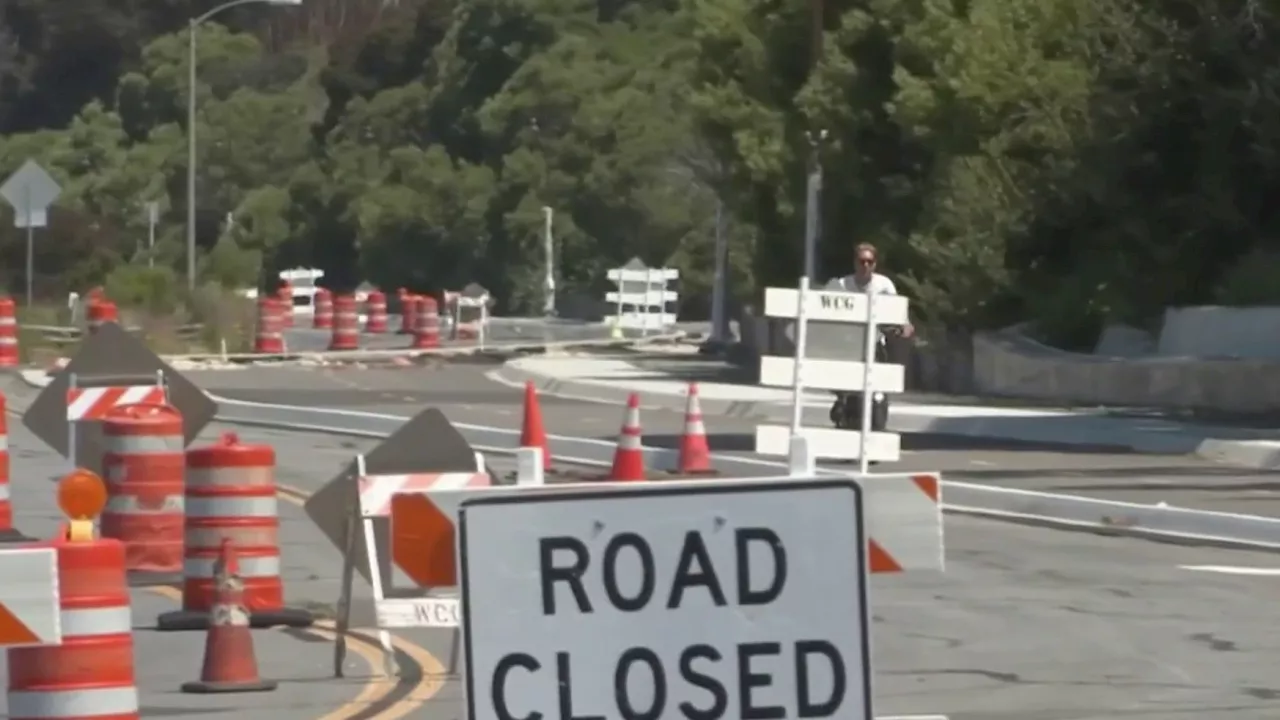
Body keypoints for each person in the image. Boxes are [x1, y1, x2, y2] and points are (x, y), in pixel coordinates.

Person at [828, 242, 913, 431]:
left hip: (875, 342)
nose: (865, 265)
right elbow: (824, 311)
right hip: (847, 345)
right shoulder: (841, 285)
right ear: (854, 263)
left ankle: (878, 420)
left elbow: (897, 310)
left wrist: (903, 325)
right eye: (861, 261)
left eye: (869, 261)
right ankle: (842, 402)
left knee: (880, 383)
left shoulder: (884, 285)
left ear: (874, 264)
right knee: (841, 378)